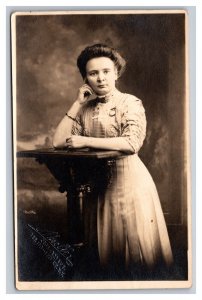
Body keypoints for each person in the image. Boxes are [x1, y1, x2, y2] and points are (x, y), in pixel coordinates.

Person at [53, 43, 173, 274]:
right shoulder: (85, 109)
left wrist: (86, 141)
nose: (100, 78)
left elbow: (131, 144)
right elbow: (58, 142)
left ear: (116, 73)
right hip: (97, 190)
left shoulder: (130, 103)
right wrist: (77, 103)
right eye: (93, 73)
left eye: (106, 71)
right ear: (85, 78)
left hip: (129, 185)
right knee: (102, 256)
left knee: (132, 254)